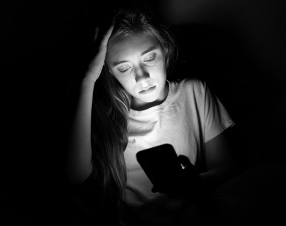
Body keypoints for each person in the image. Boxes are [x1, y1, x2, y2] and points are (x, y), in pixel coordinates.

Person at [65, 4, 236, 226]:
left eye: (148, 58)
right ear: (108, 70)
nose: (142, 77)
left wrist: (194, 183)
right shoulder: (106, 113)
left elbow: (227, 165)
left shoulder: (195, 92)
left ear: (165, 49)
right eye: (124, 68)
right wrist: (88, 78)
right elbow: (74, 177)